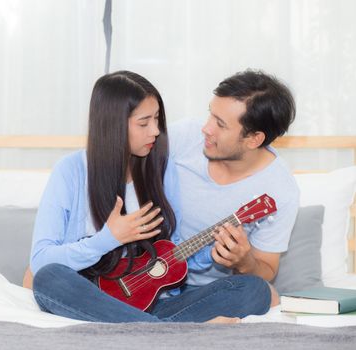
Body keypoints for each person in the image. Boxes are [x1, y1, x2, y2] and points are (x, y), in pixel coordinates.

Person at [29, 70, 271, 323]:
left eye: (157, 119)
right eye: (144, 123)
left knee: (255, 290)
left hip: (155, 305)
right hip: (93, 301)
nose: (155, 131)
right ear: (113, 124)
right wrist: (107, 240)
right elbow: (41, 260)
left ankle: (152, 333)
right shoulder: (70, 171)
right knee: (49, 279)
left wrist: (215, 251)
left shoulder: (161, 169)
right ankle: (167, 333)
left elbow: (171, 255)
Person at [168, 69, 299, 305]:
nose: (206, 128)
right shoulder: (184, 136)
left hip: (207, 293)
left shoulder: (280, 191)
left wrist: (244, 261)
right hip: (141, 271)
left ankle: (164, 317)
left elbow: (267, 268)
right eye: (210, 115)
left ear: (253, 139)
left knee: (263, 294)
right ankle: (178, 318)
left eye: (220, 124)